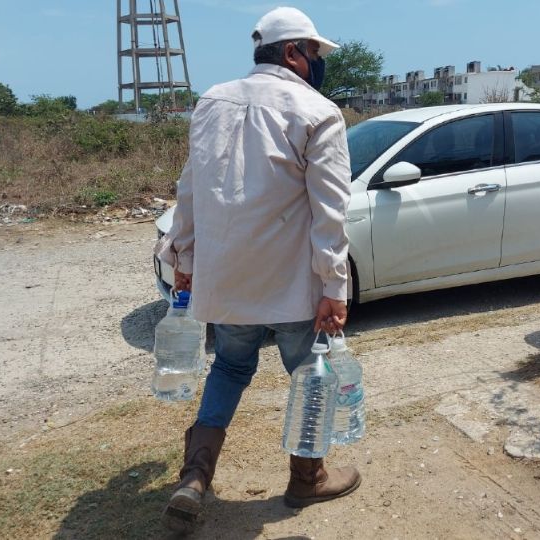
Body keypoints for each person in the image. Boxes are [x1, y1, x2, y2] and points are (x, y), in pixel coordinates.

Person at [159, 6, 360, 532]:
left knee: (229, 367)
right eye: (314, 53)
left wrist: (183, 258)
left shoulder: (212, 101)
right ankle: (307, 478)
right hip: (293, 283)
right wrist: (335, 286)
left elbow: (190, 189)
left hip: (227, 278)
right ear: (293, 52)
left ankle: (194, 477)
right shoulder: (318, 111)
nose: (317, 63)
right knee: (309, 377)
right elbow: (330, 211)